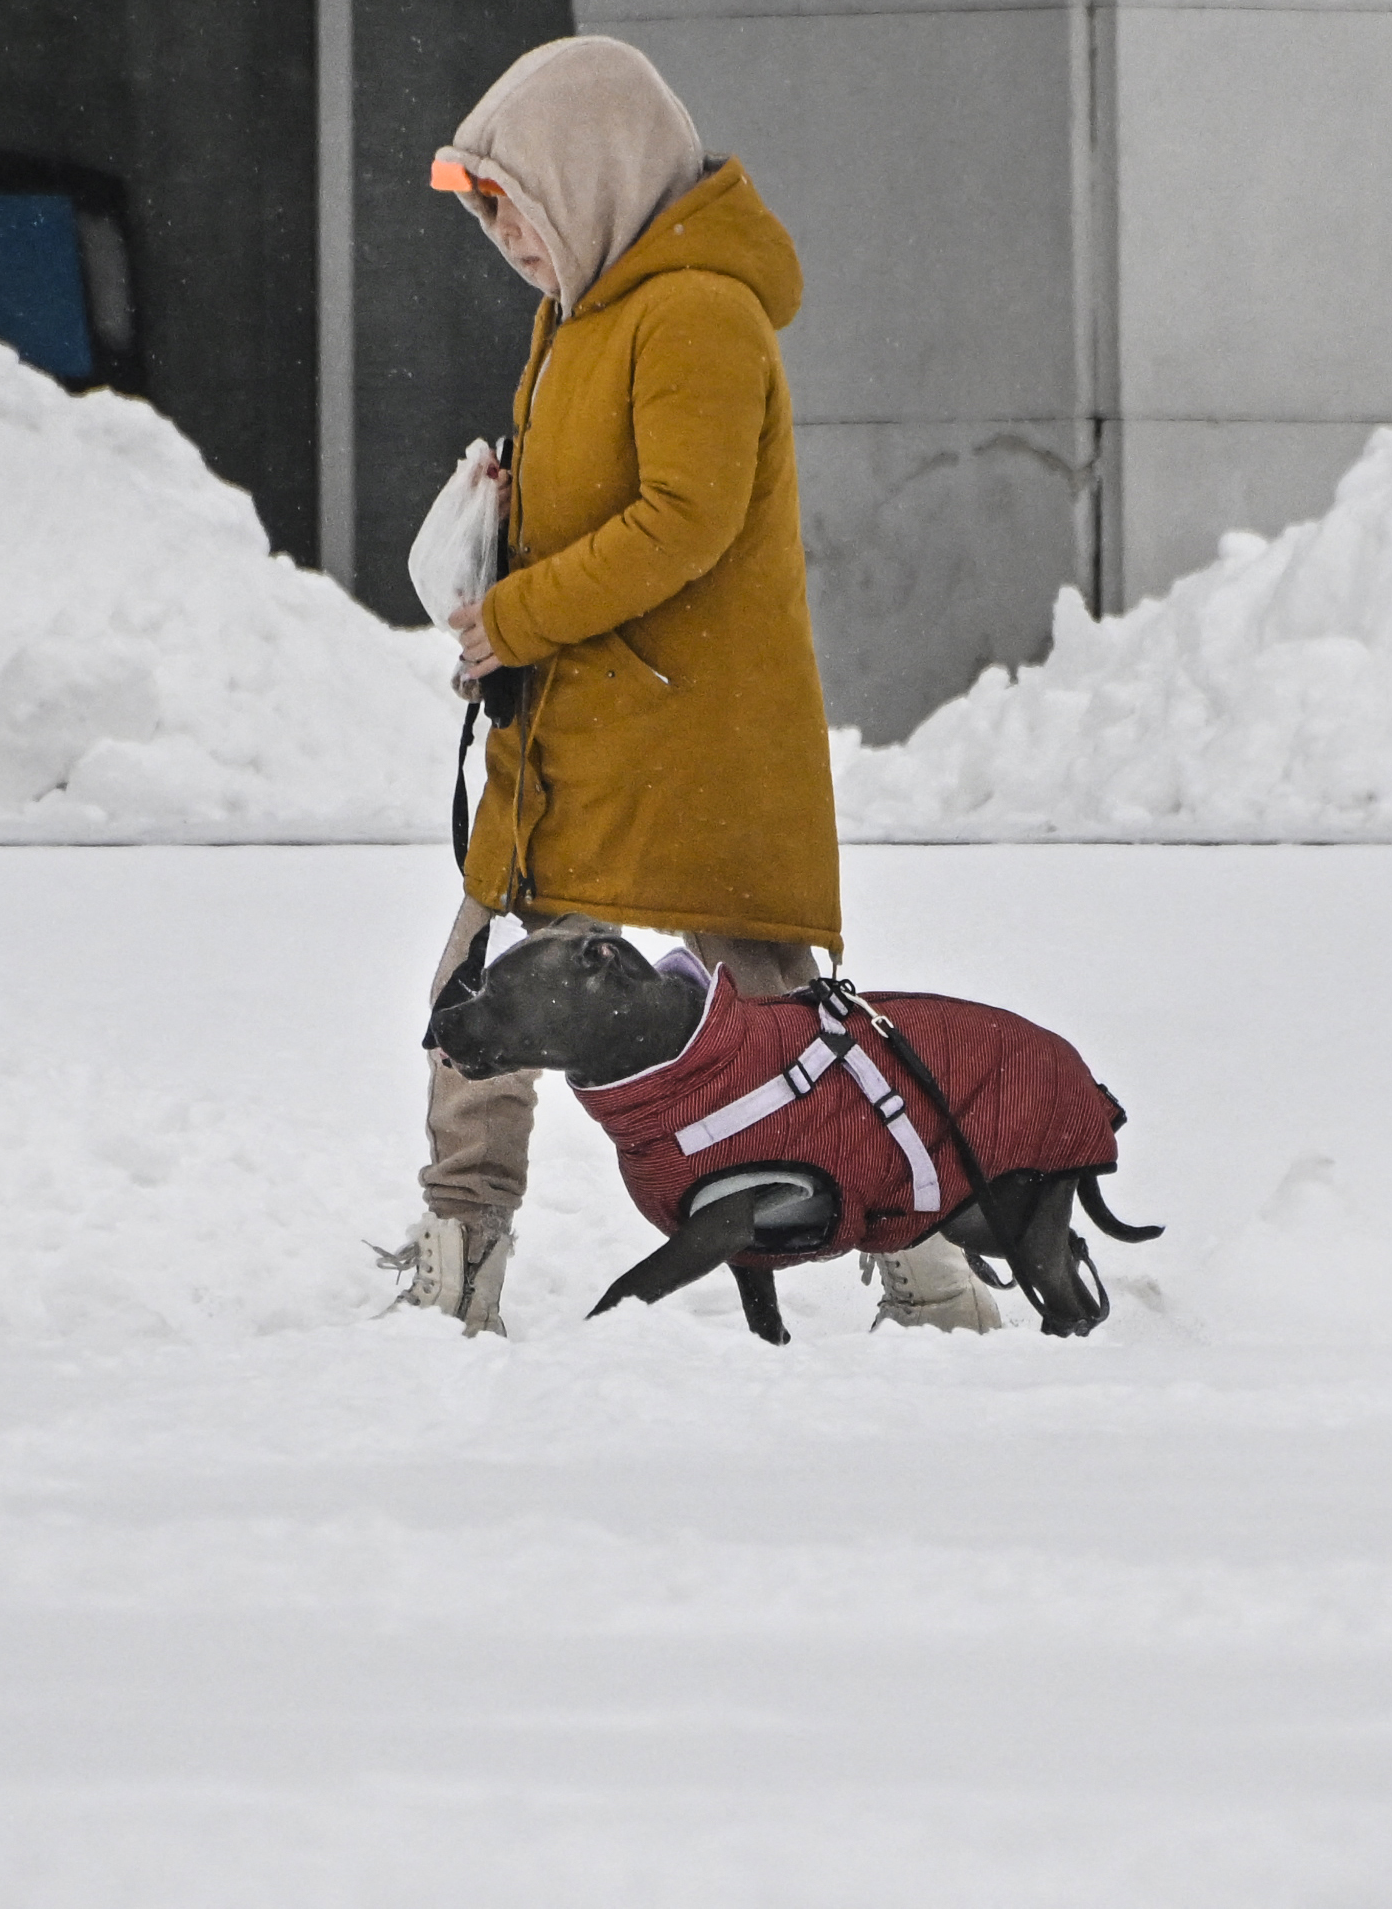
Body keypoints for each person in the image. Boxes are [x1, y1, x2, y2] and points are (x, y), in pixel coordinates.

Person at [383, 36, 995, 1338]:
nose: (509, 246)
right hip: (577, 747)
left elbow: (685, 520)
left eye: (519, 212)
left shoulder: (697, 311)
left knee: (783, 1029)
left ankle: (925, 1252)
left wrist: (517, 611)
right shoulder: (581, 318)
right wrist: (500, 538)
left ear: (593, 178)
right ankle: (460, 1254)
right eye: (493, 222)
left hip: (691, 753)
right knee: (477, 997)